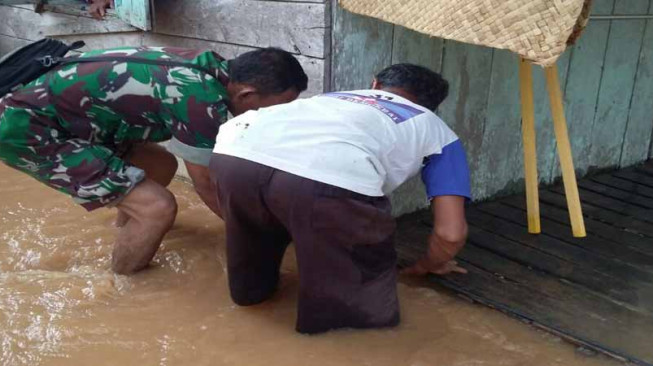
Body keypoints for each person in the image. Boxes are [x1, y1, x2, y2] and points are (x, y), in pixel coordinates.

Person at [209, 63, 471, 334]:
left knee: (254, 247)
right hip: (328, 178)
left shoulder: (328, 98)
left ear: (375, 85)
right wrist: (428, 265)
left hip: (232, 154)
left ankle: (251, 297)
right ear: (432, 105)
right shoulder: (436, 129)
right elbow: (450, 233)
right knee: (357, 315)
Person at [0, 46, 308, 274]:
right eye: (277, 107)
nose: (276, 116)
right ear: (247, 94)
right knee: (157, 208)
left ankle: (126, 230)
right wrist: (259, 237)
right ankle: (121, 283)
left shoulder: (208, 67)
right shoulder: (198, 99)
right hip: (27, 130)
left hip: (67, 116)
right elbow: (207, 185)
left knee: (162, 166)